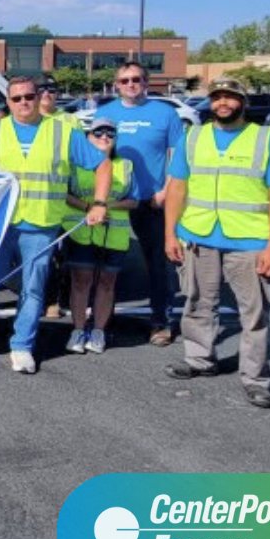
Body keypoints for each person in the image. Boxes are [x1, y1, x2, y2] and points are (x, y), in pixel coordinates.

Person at [0, 74, 111, 374]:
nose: (24, 102)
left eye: (29, 96)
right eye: (17, 98)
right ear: (8, 102)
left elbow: (102, 163)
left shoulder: (64, 132)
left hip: (41, 223)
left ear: (39, 98)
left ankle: (22, 346)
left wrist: (100, 203)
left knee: (33, 289)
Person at [163, 78, 270, 409]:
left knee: (253, 313)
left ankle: (256, 379)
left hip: (249, 239)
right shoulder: (193, 137)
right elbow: (177, 188)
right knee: (197, 302)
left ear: (243, 102)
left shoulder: (267, 140)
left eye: (230, 97)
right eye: (217, 97)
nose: (223, 103)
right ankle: (199, 359)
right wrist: (170, 233)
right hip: (198, 235)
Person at [98, 62, 185, 347]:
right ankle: (102, 323)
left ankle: (160, 322)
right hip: (116, 203)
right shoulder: (105, 113)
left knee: (159, 264)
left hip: (152, 201)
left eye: (136, 79)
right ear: (116, 85)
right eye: (124, 80)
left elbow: (178, 157)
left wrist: (166, 191)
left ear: (146, 82)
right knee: (108, 265)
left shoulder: (165, 113)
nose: (131, 84)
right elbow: (96, 156)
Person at [61, 118, 138, 354]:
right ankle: (77, 329)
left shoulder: (125, 165)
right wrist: (89, 207)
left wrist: (107, 206)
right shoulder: (75, 164)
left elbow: (134, 200)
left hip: (113, 234)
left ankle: (98, 331)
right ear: (88, 137)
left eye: (110, 134)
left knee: (107, 283)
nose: (104, 137)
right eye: (98, 133)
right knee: (80, 281)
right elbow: (63, 193)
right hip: (81, 232)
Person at [36, 77, 78, 319]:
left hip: (67, 193)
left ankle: (57, 300)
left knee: (63, 254)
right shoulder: (30, 118)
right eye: (42, 89)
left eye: (52, 89)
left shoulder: (70, 120)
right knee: (43, 254)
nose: (47, 94)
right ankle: (43, 297)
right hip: (40, 195)